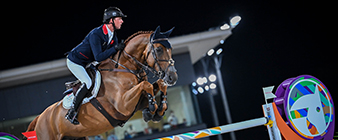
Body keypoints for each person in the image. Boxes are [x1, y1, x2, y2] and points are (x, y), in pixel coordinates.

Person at [65, 6, 127, 125]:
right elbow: (99, 56)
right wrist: (115, 48)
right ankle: (72, 112)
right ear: (111, 20)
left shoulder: (113, 36)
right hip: (76, 61)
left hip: (89, 63)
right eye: (119, 18)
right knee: (88, 82)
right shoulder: (96, 34)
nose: (122, 21)